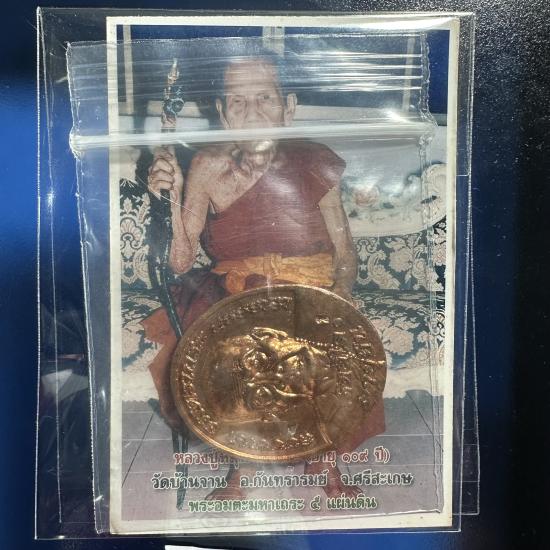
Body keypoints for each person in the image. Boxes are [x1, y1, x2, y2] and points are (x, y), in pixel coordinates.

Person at [143, 52, 384, 498]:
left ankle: (324, 457)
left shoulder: (314, 158)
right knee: (236, 351)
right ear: (221, 112)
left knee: (325, 346)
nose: (251, 112)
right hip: (233, 292)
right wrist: (173, 197)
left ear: (288, 107)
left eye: (264, 99)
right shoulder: (207, 165)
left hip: (309, 286)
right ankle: (243, 466)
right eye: (237, 102)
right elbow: (180, 262)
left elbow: (344, 247)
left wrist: (342, 293)